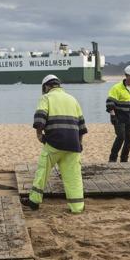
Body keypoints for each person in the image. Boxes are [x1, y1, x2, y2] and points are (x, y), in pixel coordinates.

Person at [29, 74, 87, 213]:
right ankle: (77, 207)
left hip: (54, 143)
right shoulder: (73, 99)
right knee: (73, 177)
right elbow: (81, 125)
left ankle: (34, 201)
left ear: (46, 87)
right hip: (73, 145)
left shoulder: (46, 98)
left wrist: (39, 135)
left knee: (43, 171)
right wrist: (79, 144)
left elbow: (40, 117)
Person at [105, 65, 130, 162]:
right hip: (118, 117)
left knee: (129, 140)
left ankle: (124, 159)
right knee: (121, 137)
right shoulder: (116, 88)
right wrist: (113, 115)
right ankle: (112, 159)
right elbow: (110, 103)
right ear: (126, 76)